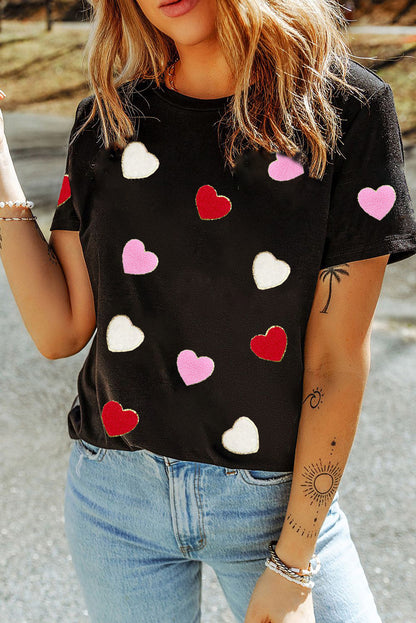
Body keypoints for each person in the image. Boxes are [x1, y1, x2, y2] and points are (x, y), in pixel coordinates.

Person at [1, 0, 416, 621]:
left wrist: (294, 562)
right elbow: (60, 330)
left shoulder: (344, 110)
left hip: (275, 508)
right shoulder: (106, 121)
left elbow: (334, 364)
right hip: (117, 499)